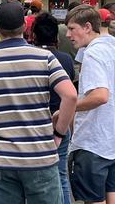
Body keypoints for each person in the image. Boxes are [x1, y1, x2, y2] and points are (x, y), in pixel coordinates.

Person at [0, 1, 78, 204]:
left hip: (0, 161)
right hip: (40, 157)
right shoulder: (45, 58)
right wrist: (58, 132)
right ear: (25, 26)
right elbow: (71, 96)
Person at [66, 4, 115, 204]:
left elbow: (100, 96)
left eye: (72, 28)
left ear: (87, 27)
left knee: (93, 200)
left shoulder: (92, 54)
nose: (68, 35)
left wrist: (69, 107)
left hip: (92, 142)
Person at [34, 13, 78, 204]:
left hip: (35, 122)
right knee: (60, 174)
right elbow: (72, 93)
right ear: (56, 37)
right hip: (60, 120)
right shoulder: (66, 59)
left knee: (34, 177)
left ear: (34, 35)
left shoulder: (31, 58)